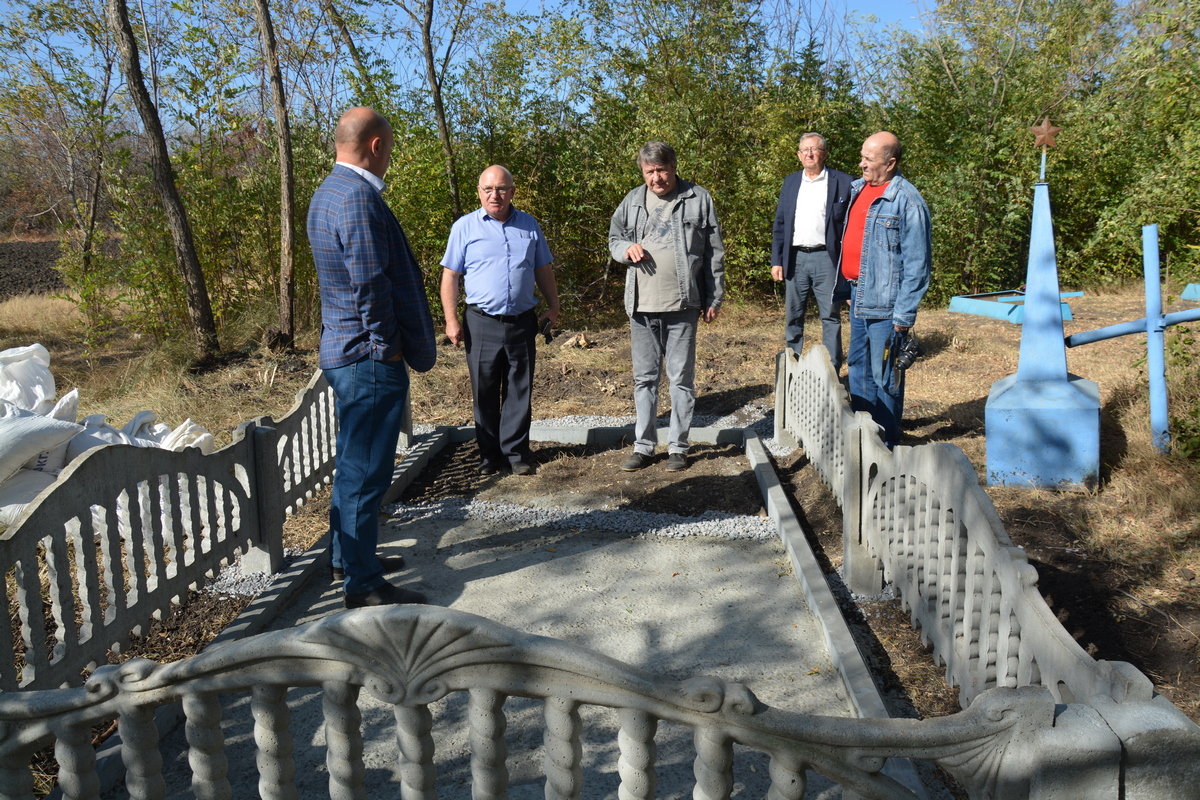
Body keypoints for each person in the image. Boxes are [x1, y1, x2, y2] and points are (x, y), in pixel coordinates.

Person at [308, 106, 437, 608]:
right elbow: (369, 284)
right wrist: (389, 347)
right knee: (366, 472)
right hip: (367, 358)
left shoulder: (328, 192)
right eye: (391, 149)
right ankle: (362, 585)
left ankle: (347, 558)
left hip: (346, 352)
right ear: (377, 146)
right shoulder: (358, 198)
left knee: (351, 465)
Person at [608, 141, 724, 472]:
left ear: (674, 167)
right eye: (649, 172)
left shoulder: (697, 198)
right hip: (641, 306)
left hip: (683, 304)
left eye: (661, 170)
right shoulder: (632, 201)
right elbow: (614, 239)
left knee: (681, 379)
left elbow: (713, 252)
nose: (656, 178)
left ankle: (678, 447)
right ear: (642, 172)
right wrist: (625, 247)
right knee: (644, 379)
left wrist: (714, 297)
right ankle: (644, 446)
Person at [440, 165, 559, 476]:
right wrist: (451, 320)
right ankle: (490, 455)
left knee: (520, 387)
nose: (495, 195)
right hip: (481, 322)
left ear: (513, 192)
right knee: (485, 389)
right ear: (479, 192)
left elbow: (542, 269)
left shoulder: (530, 225)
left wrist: (554, 306)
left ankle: (517, 453)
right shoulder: (464, 228)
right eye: (488, 189)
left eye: (502, 188)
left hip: (522, 321)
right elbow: (450, 275)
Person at [841, 131, 932, 447]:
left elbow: (917, 265)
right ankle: (864, 441)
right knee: (858, 368)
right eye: (862, 156)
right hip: (858, 296)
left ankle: (888, 446)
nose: (861, 163)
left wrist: (904, 314)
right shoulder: (858, 190)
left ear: (890, 162)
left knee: (886, 377)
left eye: (869, 158)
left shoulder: (908, 202)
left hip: (887, 306)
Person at [770, 133, 853, 368]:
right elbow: (780, 224)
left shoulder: (844, 182)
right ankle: (792, 368)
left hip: (827, 259)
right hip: (795, 259)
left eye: (814, 149)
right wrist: (777, 260)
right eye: (804, 150)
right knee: (794, 317)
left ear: (824, 154)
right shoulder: (791, 182)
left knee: (830, 316)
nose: (809, 154)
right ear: (798, 155)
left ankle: (832, 369)